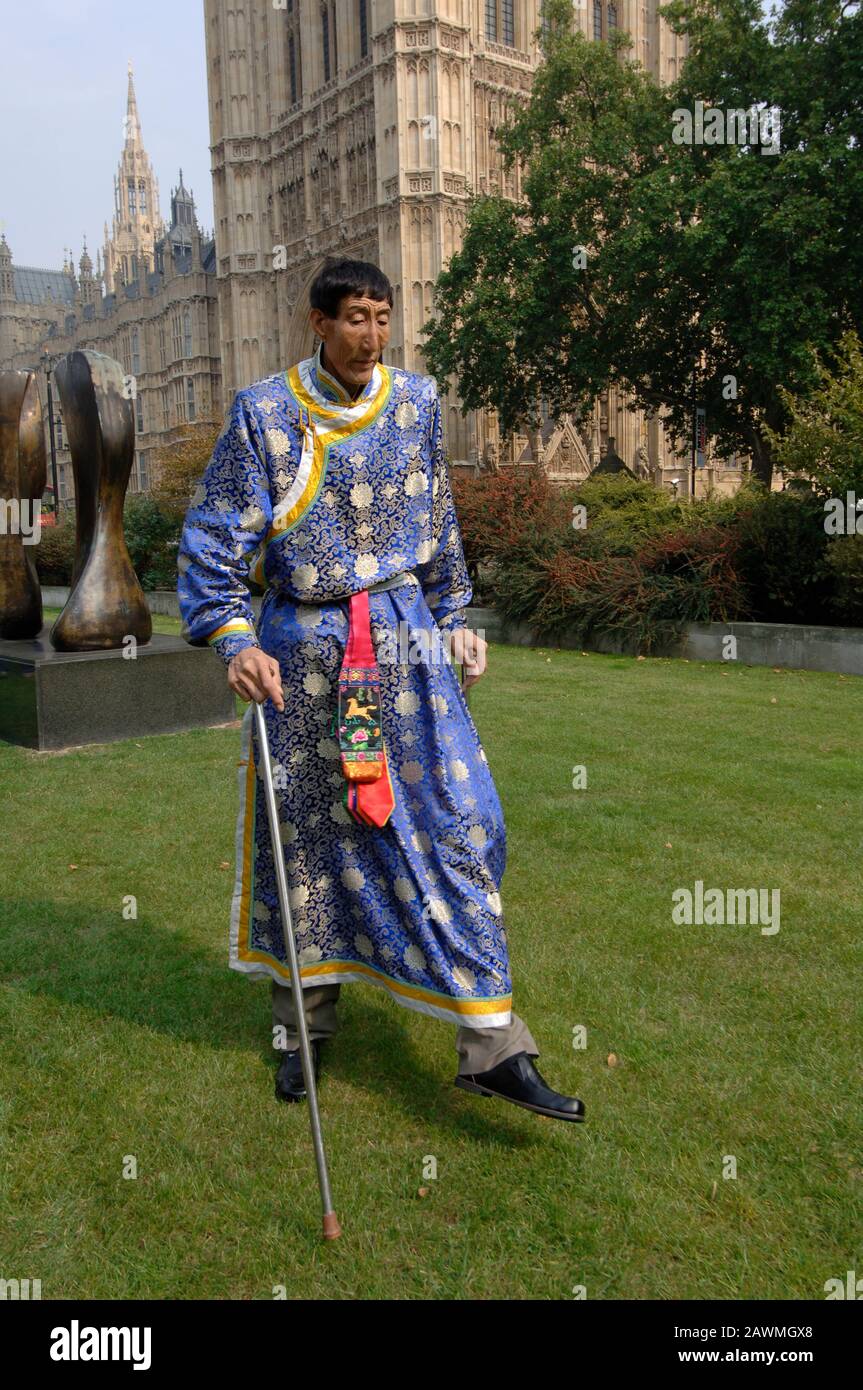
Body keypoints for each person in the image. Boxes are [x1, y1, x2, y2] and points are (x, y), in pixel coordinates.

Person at [177, 257, 584, 1124]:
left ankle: (491, 1045)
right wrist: (233, 638)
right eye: (354, 318)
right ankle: (304, 1027)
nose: (371, 334)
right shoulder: (262, 415)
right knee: (311, 852)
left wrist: (454, 621)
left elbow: (437, 525)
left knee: (461, 822)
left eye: (382, 317)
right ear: (316, 323)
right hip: (306, 661)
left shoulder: (418, 403)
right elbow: (213, 542)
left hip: (403, 652)